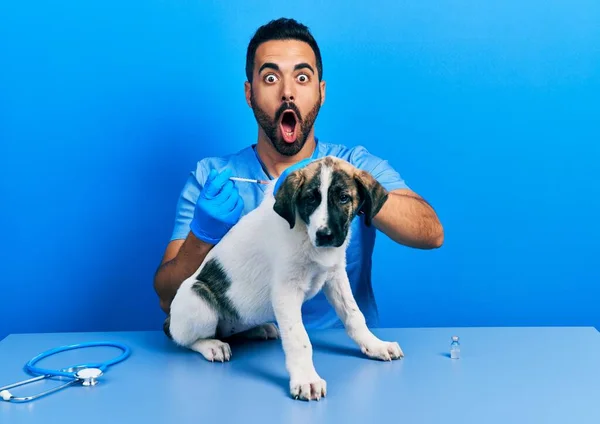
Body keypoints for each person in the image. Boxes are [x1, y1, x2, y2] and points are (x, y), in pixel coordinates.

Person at [153, 18, 444, 330]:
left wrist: (355, 189)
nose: (287, 92)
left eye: (302, 78)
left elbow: (431, 233)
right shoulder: (212, 177)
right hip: (245, 351)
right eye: (270, 78)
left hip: (343, 349)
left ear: (321, 92)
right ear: (249, 94)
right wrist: (202, 237)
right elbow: (169, 299)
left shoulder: (353, 165)